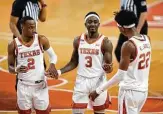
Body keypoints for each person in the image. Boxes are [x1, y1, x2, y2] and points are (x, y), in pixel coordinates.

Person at [89, 10, 151, 114]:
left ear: (122, 28)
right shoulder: (146, 39)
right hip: (143, 92)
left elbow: (120, 76)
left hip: (129, 92)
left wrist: (98, 90)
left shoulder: (128, 45)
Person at [56, 12, 113, 114]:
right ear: (85, 24)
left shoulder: (105, 42)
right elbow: (73, 62)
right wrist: (59, 72)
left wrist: (108, 68)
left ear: (99, 24)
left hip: (98, 82)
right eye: (89, 22)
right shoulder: (78, 40)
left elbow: (109, 67)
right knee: (77, 112)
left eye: (95, 22)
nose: (92, 24)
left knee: (99, 112)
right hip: (81, 81)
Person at [8, 16, 58, 114]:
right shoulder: (13, 44)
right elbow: (10, 68)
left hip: (40, 85)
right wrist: (16, 69)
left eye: (34, 27)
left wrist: (52, 65)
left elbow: (53, 56)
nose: (33, 30)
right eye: (30, 27)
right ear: (22, 26)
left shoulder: (41, 39)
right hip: (23, 86)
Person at [9, 0, 47, 90]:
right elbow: (12, 24)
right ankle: (20, 93)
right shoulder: (20, 2)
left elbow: (43, 18)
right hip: (21, 40)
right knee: (23, 69)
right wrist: (20, 40)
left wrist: (43, 3)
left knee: (42, 65)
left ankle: (36, 91)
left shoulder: (36, 3)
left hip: (34, 40)